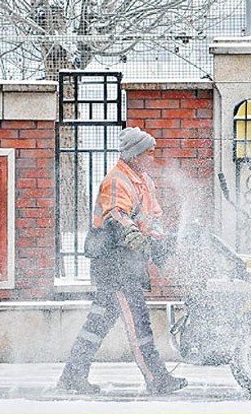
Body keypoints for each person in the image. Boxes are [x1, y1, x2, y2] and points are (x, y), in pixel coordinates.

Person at [58, 127, 187, 395]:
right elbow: (117, 215)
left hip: (127, 264)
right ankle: (157, 379)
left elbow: (151, 218)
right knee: (138, 322)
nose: (152, 158)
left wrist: (163, 238)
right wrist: (134, 235)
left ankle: (72, 376)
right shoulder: (117, 181)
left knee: (97, 325)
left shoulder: (143, 181)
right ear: (135, 154)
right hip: (114, 266)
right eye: (148, 153)